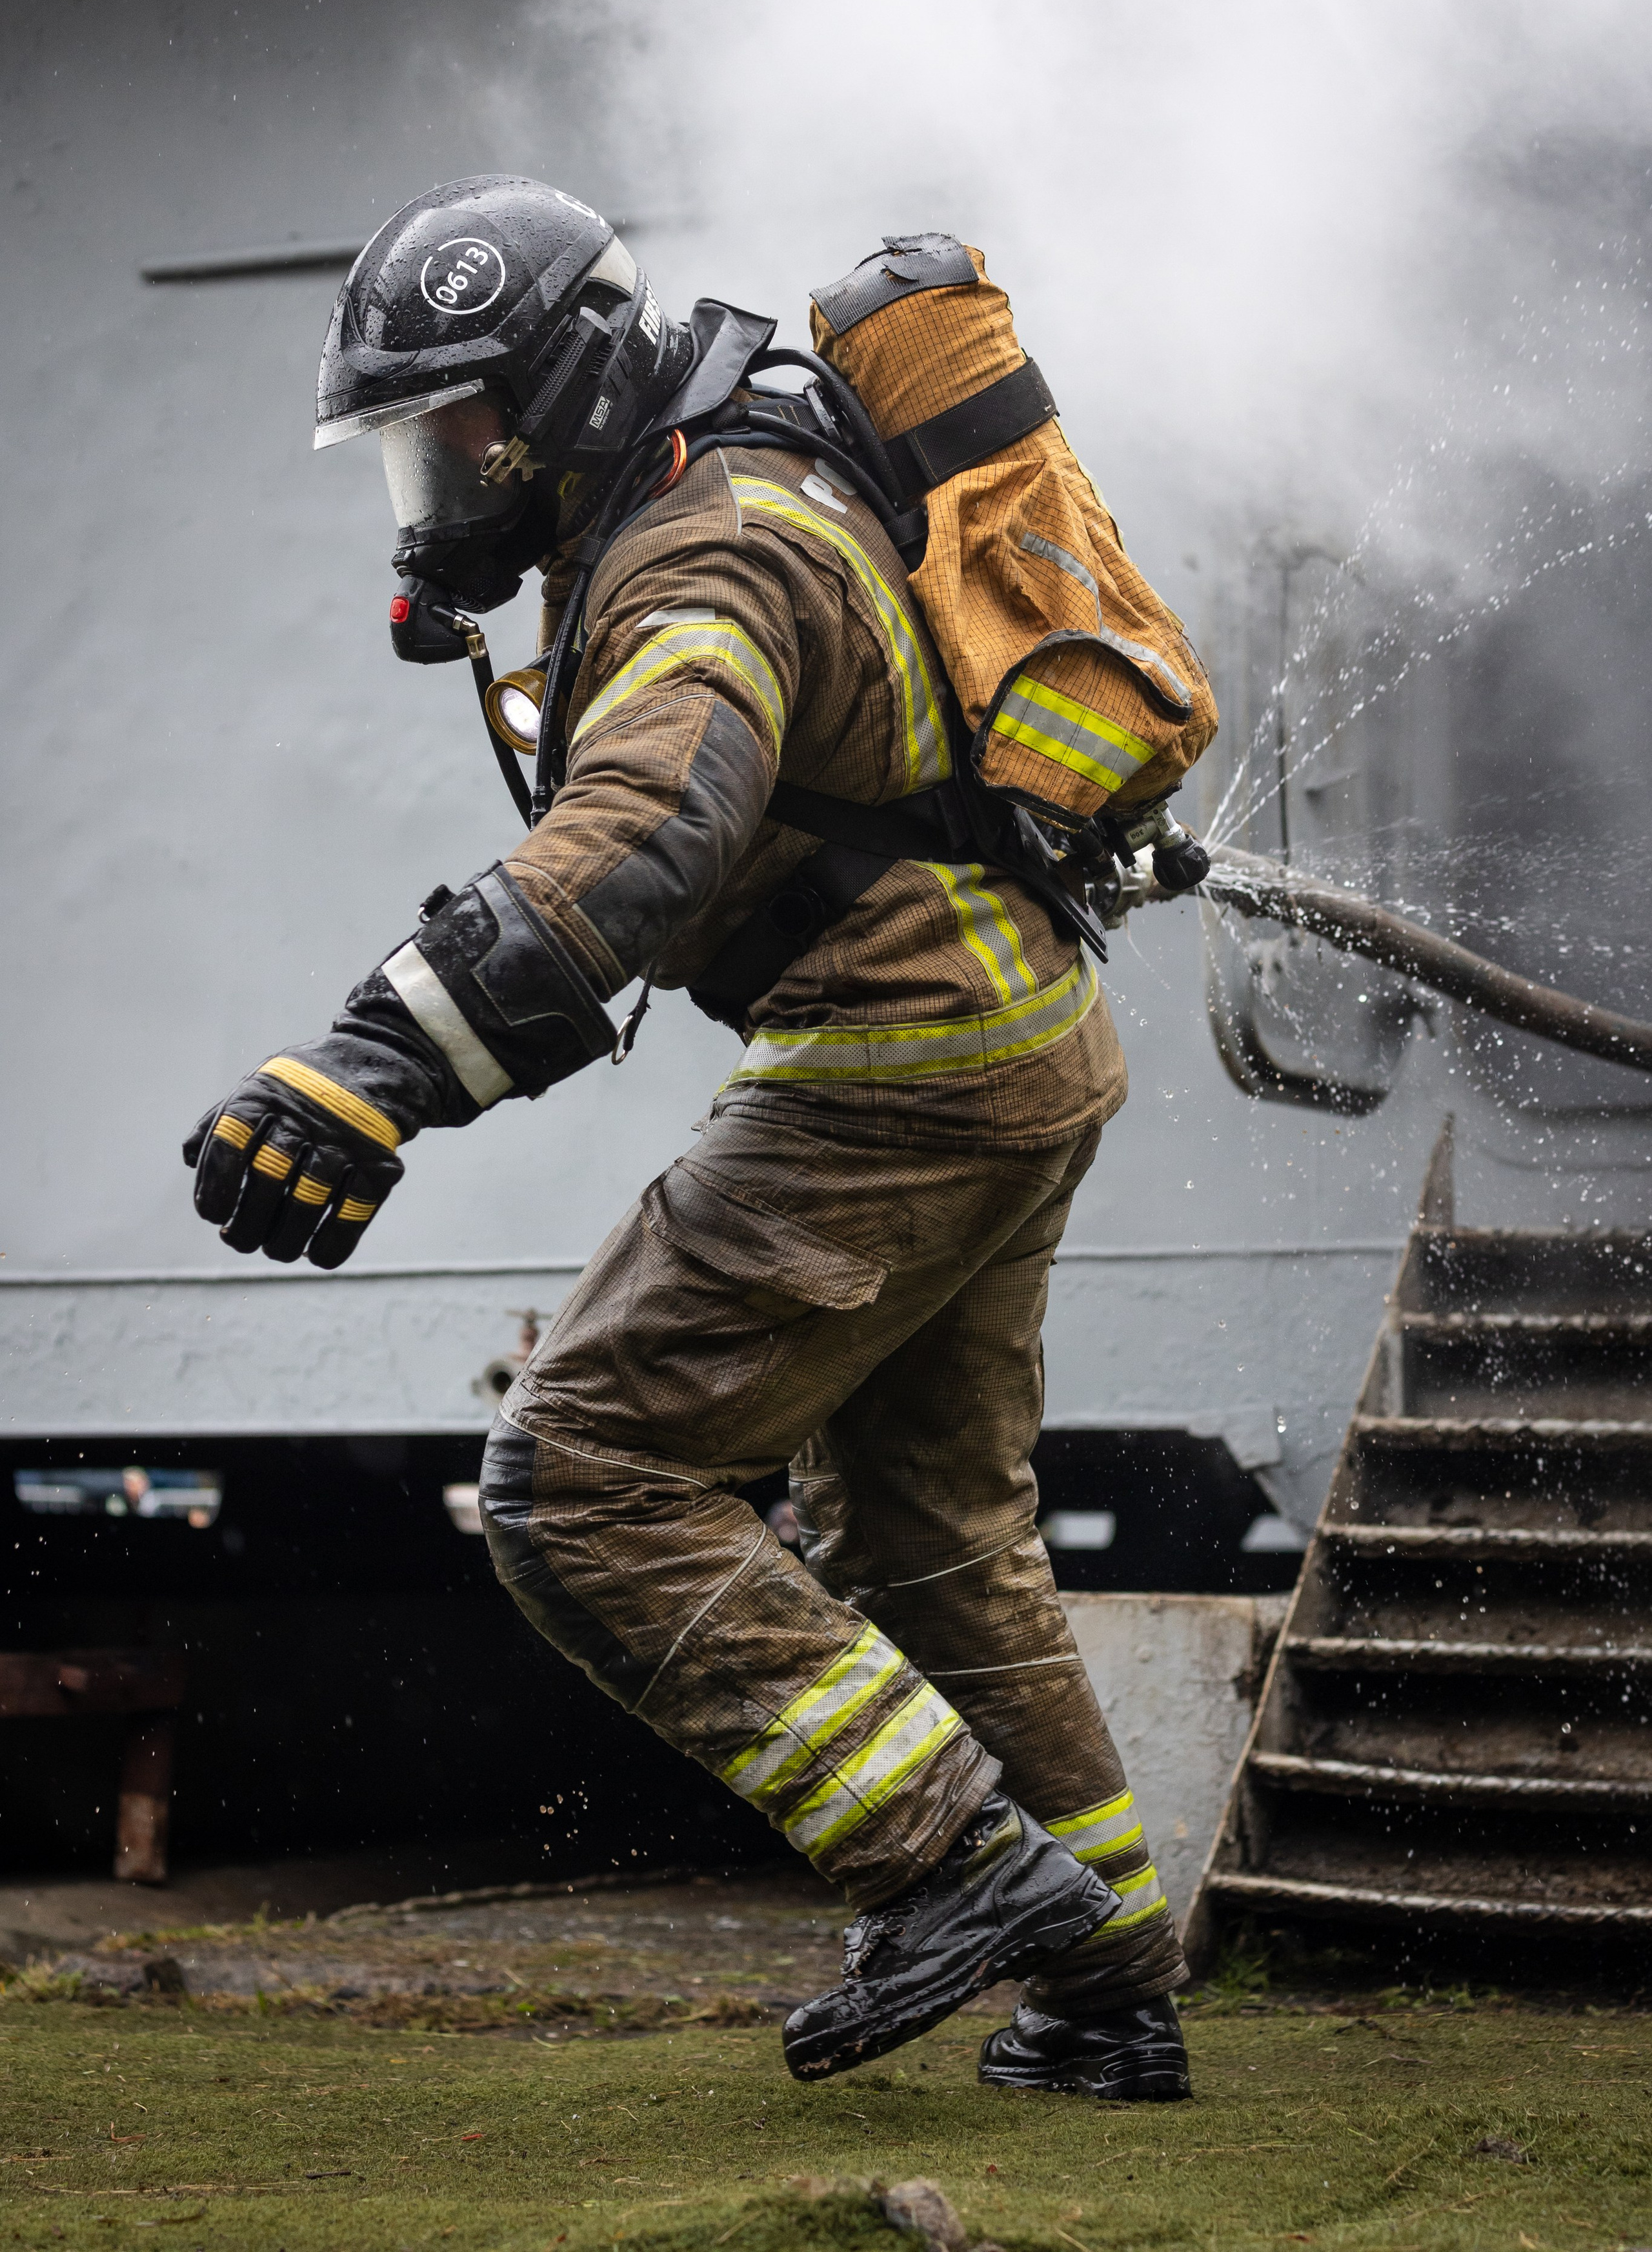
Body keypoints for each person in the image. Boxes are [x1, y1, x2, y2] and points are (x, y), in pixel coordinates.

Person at [185, 176, 1195, 2098]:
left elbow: (643, 835)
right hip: (1015, 1035)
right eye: (414, 451)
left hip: (900, 1061)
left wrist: (362, 1068)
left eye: (460, 436)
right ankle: (1107, 1985)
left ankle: (960, 1870)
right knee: (937, 1536)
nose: (440, 490)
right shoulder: (710, 464)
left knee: (578, 1478)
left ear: (559, 391)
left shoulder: (702, 563)